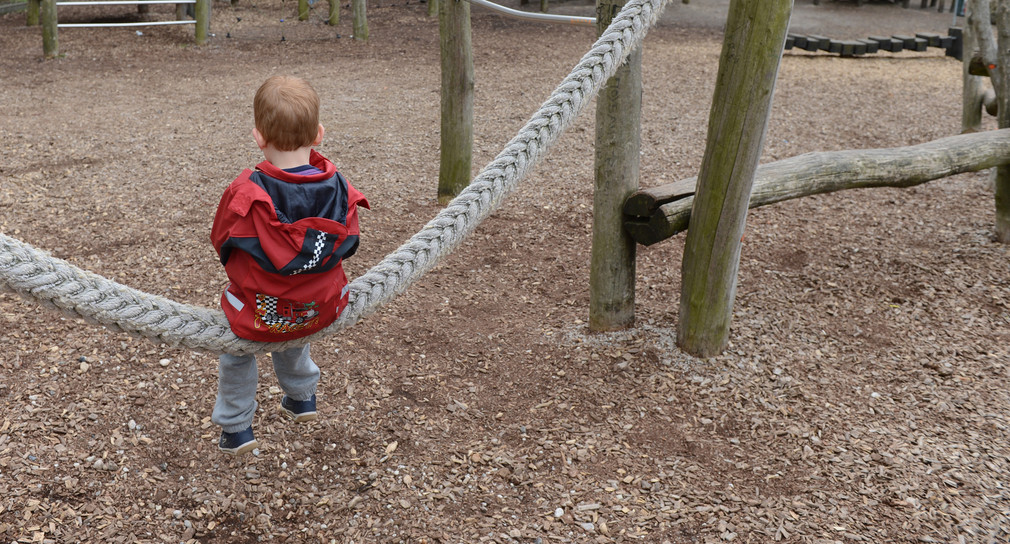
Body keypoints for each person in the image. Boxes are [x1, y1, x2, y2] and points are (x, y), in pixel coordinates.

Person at [209, 75, 369, 455]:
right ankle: (302, 400)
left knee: (237, 352)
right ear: (318, 133)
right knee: (296, 323)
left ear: (258, 137)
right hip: (320, 307)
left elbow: (222, 241)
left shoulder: (247, 193)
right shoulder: (340, 187)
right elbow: (349, 245)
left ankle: (236, 429)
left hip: (259, 312)